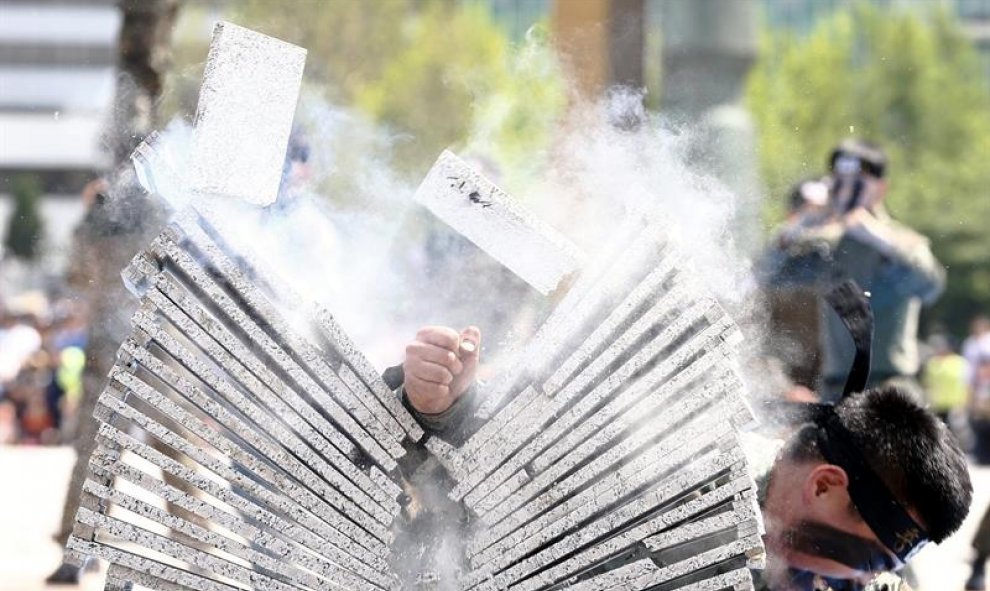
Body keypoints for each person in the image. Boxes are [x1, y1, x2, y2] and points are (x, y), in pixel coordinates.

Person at [399, 324, 972, 591]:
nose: (865, 581)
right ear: (824, 486)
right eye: (868, 561)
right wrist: (434, 406)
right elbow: (476, 486)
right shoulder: (664, 458)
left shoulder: (853, 587)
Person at [763, 140, 945, 403]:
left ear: (882, 188)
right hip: (837, 389)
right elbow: (768, 276)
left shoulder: (902, 241)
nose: (846, 188)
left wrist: (875, 234)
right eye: (839, 180)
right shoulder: (827, 245)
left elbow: (931, 286)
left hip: (890, 390)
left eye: (858, 180)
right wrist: (800, 224)